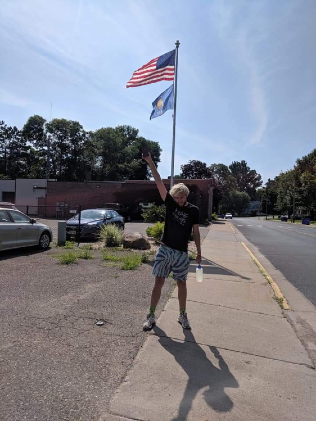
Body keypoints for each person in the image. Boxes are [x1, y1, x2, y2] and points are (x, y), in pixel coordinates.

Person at [142, 151, 202, 331]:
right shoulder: (170, 203)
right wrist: (150, 161)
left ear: (186, 196)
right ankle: (151, 315)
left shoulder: (194, 211)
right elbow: (159, 181)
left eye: (181, 197)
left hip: (181, 253)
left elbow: (196, 232)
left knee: (181, 283)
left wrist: (199, 252)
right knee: (158, 282)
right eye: (176, 197)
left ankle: (182, 314)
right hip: (165, 249)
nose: (179, 200)